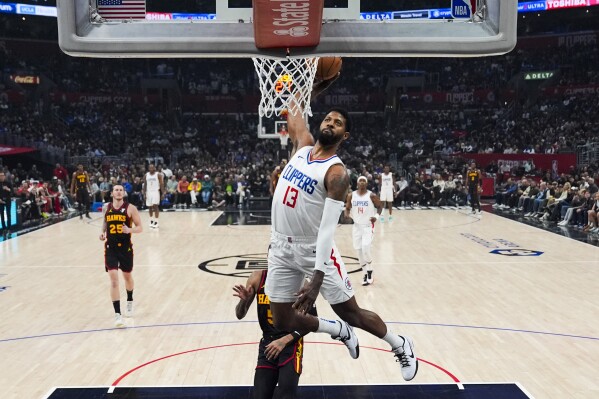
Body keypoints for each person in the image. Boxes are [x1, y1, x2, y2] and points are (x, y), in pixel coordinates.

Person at [265, 76, 418, 382]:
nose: (331, 123)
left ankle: (399, 344)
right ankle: (336, 330)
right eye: (328, 118)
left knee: (352, 312)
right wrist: (314, 83)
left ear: (344, 135)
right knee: (281, 319)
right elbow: (295, 105)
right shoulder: (302, 144)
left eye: (337, 123)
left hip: (313, 249)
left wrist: (318, 279)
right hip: (280, 245)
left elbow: (326, 230)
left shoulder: (336, 174)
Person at [234, 270, 315, 399]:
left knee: (286, 396)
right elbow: (239, 314)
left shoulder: (299, 282)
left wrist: (284, 341)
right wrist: (244, 301)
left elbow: (312, 322)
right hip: (268, 344)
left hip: (290, 344)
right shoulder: (257, 278)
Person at [99, 184, 143, 328]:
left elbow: (140, 227)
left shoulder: (131, 208)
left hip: (125, 249)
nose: (118, 192)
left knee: (127, 277)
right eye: (116, 190)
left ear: (124, 193)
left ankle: (129, 300)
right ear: (112, 193)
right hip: (111, 248)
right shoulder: (107, 207)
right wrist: (102, 232)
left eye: (120, 190)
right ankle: (117, 315)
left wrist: (129, 229)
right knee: (113, 280)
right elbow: (105, 221)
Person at [344, 176, 382, 286]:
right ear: (357, 183)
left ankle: (370, 270)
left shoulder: (371, 195)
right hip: (356, 227)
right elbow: (347, 208)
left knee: (366, 248)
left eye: (364, 181)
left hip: (368, 226)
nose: (362, 182)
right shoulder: (351, 195)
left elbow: (380, 206)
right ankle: (365, 273)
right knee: (359, 251)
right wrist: (347, 215)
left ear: (366, 183)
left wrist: (376, 216)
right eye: (360, 181)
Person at [143, 164, 164, 229]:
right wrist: (144, 193)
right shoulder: (146, 175)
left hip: (155, 192)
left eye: (152, 167)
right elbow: (145, 185)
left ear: (154, 168)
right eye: (150, 168)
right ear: (148, 168)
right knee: (149, 207)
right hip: (148, 192)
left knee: (155, 206)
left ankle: (156, 222)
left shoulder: (158, 175)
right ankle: (151, 220)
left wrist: (163, 193)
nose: (151, 169)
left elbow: (161, 184)